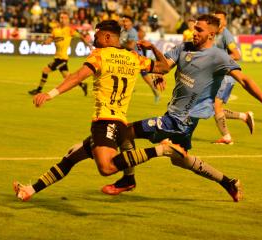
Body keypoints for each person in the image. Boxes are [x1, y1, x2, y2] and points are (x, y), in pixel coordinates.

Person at [100, 14, 262, 201]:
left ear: (211, 34)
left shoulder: (218, 57)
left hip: (180, 120)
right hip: (177, 116)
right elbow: (164, 67)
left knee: (126, 132)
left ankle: (128, 179)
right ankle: (228, 182)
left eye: (199, 30)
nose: (194, 32)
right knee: (180, 161)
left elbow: (244, 80)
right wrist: (157, 61)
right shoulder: (184, 48)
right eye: (194, 28)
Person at [13, 20, 186, 202]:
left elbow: (77, 76)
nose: (94, 40)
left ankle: (162, 149)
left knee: (106, 168)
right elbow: (164, 68)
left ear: (108, 36)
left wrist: (51, 93)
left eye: (97, 36)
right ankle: (29, 191)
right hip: (119, 122)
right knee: (71, 157)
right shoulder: (134, 57)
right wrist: (152, 48)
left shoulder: (100, 55)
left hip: (105, 121)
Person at [212, 10, 254, 145]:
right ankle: (244, 116)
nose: (217, 20)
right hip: (217, 76)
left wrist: (222, 60)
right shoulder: (213, 34)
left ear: (224, 21)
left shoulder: (226, 35)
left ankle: (227, 137)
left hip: (227, 76)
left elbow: (236, 54)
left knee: (216, 107)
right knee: (213, 108)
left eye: (219, 19)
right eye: (215, 18)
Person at [28, 11, 88, 96]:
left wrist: (88, 45)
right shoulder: (55, 30)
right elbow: (50, 38)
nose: (62, 19)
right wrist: (46, 42)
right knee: (68, 77)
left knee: (45, 70)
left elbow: (81, 37)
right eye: (61, 17)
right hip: (57, 57)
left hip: (62, 58)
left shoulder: (70, 30)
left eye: (64, 18)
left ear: (68, 20)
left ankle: (38, 90)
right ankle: (83, 85)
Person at [121, 15, 161, 103]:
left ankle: (155, 92)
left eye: (126, 21)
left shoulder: (133, 32)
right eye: (123, 21)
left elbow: (131, 46)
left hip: (137, 57)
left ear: (131, 22)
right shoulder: (122, 31)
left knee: (145, 76)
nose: (124, 23)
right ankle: (129, 89)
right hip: (127, 57)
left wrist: (120, 44)